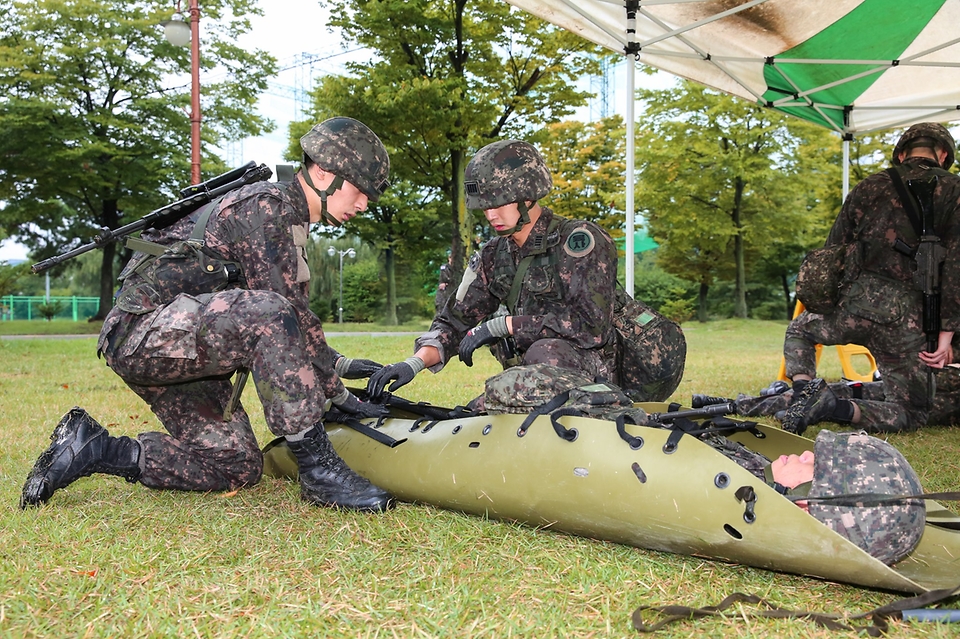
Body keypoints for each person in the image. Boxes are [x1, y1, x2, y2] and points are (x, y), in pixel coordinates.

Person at [21, 117, 394, 512]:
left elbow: (294, 327)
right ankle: (319, 471)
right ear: (323, 171)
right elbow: (282, 314)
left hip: (185, 348)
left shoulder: (289, 220)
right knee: (269, 312)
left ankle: (94, 448)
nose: (364, 203)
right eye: (359, 189)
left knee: (236, 466)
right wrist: (335, 393)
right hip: (143, 334)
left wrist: (339, 367)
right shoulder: (266, 208)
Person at [367, 139, 621, 399]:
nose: (490, 215)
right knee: (471, 417)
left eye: (499, 204)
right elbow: (453, 322)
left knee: (544, 352)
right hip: (529, 380)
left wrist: (506, 325)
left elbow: (592, 327)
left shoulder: (579, 241)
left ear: (528, 195)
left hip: (592, 376)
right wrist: (414, 363)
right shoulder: (493, 255)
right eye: (485, 207)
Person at [781, 122, 960, 434]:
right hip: (907, 325)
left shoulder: (868, 186)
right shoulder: (955, 190)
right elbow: (957, 266)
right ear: (943, 154)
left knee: (799, 330)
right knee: (911, 413)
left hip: (855, 306)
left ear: (902, 153)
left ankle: (802, 393)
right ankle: (833, 406)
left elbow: (832, 252)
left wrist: (837, 303)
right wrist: (946, 333)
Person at [711, 429, 925, 565]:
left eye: (816, 466)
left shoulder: (725, 499)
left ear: (807, 502)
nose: (806, 455)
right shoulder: (767, 473)